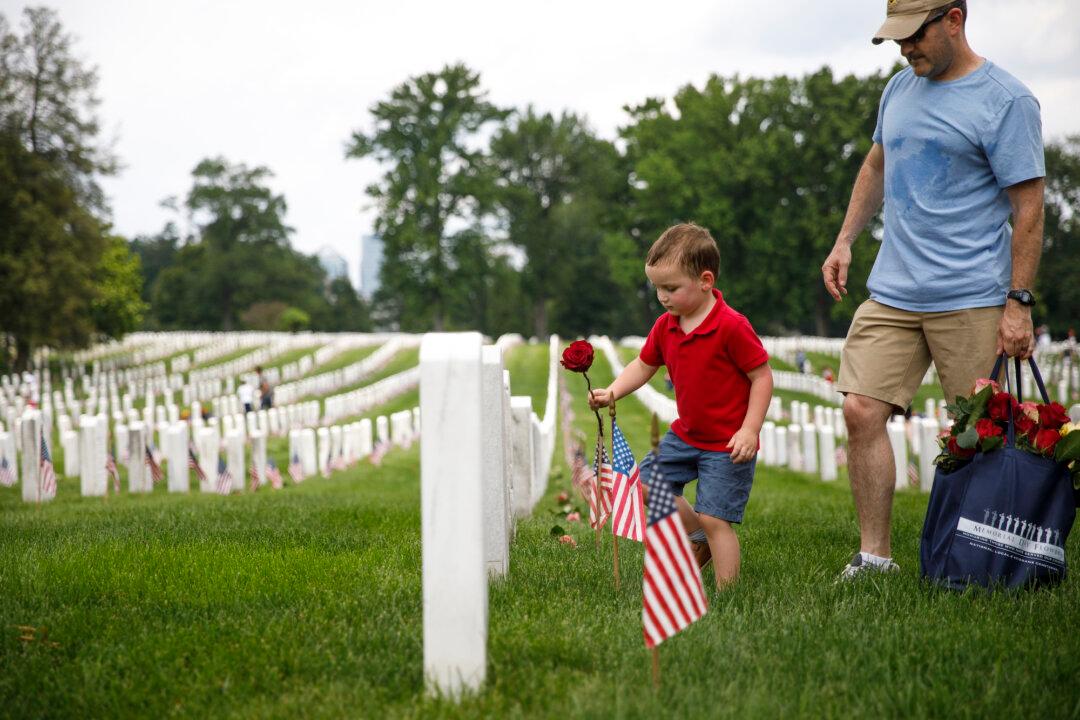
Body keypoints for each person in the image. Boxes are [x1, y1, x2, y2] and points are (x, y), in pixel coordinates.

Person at [820, 0, 1045, 579]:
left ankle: (982, 561)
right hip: (893, 290)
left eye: (913, 36)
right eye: (897, 39)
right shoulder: (898, 90)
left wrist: (1018, 302)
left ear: (953, 18)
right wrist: (846, 239)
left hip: (972, 294)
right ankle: (875, 557)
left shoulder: (1007, 101)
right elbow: (876, 166)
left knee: (981, 432)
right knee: (860, 410)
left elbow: (1029, 208)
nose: (904, 49)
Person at [588, 223, 773, 589]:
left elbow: (762, 377)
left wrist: (750, 429)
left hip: (727, 443)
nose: (663, 296)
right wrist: (613, 391)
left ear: (705, 281)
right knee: (643, 483)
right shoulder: (666, 326)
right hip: (686, 435)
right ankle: (695, 535)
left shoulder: (731, 327)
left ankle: (729, 591)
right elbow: (644, 364)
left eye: (671, 288)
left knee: (715, 517)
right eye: (657, 288)